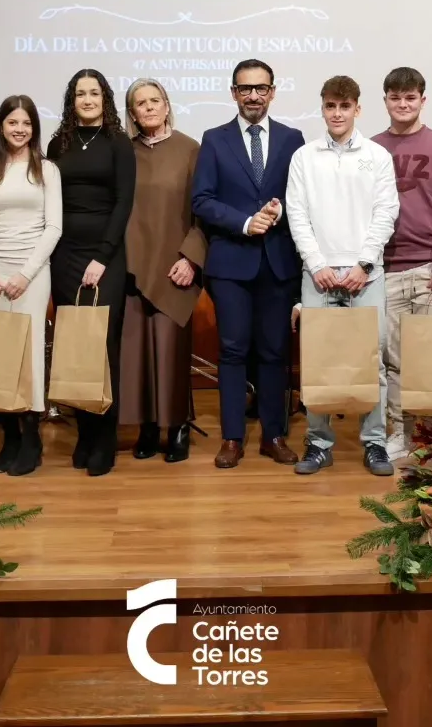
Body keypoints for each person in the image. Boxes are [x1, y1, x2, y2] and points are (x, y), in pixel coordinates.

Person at [191, 59, 304, 469]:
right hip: (231, 266)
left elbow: (303, 198)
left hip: (278, 263)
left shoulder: (294, 139)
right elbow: (201, 200)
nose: (253, 95)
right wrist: (243, 222)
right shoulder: (214, 139)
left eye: (261, 88)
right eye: (245, 89)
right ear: (233, 93)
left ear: (272, 92)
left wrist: (280, 211)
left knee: (275, 353)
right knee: (233, 351)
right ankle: (233, 438)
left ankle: (274, 435)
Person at [286, 75, 399, 476]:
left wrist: (364, 264)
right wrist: (317, 265)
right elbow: (297, 215)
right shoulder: (304, 157)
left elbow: (386, 213)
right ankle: (319, 444)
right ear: (322, 108)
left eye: (345, 106)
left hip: (365, 274)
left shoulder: (377, 155)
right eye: (331, 106)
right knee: (319, 360)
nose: (337, 113)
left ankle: (374, 444)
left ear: (357, 109)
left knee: (373, 361)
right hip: (317, 274)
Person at [371, 67, 432, 461]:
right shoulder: (373, 148)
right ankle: (402, 432)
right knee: (394, 360)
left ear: (422, 100)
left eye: (410, 98)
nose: (403, 104)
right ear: (385, 101)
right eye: (395, 98)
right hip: (388, 269)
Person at [47, 69, 136, 477]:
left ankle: (105, 440)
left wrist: (103, 255)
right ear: (72, 99)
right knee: (74, 346)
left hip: (106, 256)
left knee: (102, 344)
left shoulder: (119, 141)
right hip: (64, 254)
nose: (87, 99)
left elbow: (123, 202)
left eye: (94, 92)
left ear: (105, 98)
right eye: (80, 93)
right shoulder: (57, 142)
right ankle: (84, 433)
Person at [0, 95, 61, 476]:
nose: (19, 129)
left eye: (26, 123)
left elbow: (54, 226)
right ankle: (8, 436)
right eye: (12, 123)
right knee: (0, 356)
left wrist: (26, 273)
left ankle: (31, 439)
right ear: (1, 127)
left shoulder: (48, 170)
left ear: (34, 129)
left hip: (32, 273)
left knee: (29, 353)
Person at [121, 79, 207, 464]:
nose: (149, 107)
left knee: (170, 353)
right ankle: (147, 427)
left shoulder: (191, 149)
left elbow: (203, 211)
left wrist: (190, 258)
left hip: (176, 266)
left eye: (155, 100)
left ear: (168, 105)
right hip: (132, 264)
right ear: (132, 112)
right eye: (141, 103)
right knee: (136, 354)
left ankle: (177, 427)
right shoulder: (124, 152)